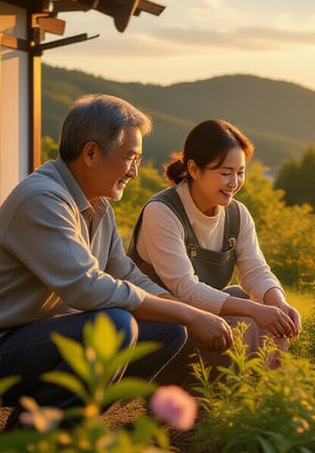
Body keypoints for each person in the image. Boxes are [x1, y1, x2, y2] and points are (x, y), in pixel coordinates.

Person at [0, 95, 233, 420]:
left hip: (38, 340)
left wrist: (185, 313)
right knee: (115, 324)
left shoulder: (99, 207)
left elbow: (127, 276)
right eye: (130, 158)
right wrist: (192, 315)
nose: (135, 172)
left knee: (169, 330)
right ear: (90, 153)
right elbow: (88, 288)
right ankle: (36, 434)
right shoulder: (42, 200)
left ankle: (72, 420)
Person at [129, 119, 301, 384]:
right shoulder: (162, 211)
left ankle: (257, 391)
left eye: (240, 172)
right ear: (194, 169)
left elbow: (255, 270)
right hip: (163, 328)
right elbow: (185, 288)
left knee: (252, 302)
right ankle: (222, 398)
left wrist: (277, 303)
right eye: (225, 172)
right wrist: (254, 311)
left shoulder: (237, 214)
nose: (234, 182)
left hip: (204, 321)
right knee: (246, 310)